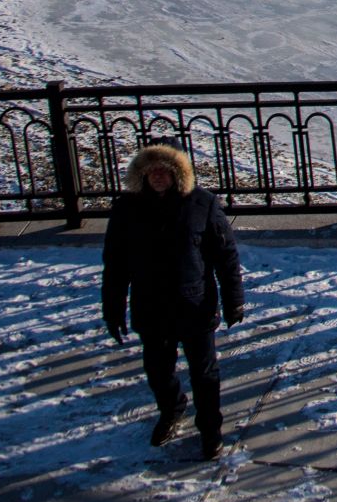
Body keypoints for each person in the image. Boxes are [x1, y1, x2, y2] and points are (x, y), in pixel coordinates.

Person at [102, 143, 244, 460]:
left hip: (194, 304)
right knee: (157, 369)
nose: (158, 177)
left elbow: (225, 256)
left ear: (179, 173)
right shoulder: (127, 209)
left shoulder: (202, 204)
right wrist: (112, 308)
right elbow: (115, 263)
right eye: (151, 171)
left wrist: (235, 298)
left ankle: (211, 430)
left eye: (165, 171)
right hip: (150, 306)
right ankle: (171, 410)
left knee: (205, 373)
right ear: (141, 174)